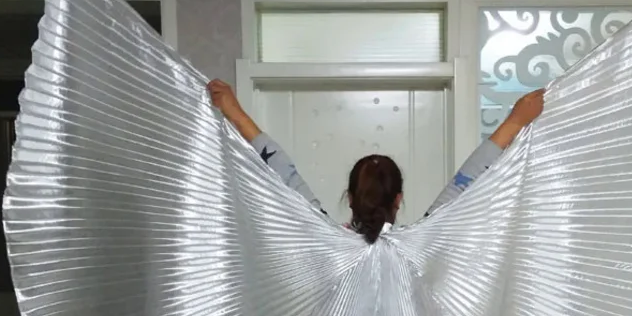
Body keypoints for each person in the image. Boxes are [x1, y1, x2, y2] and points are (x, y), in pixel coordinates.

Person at [206, 80, 544, 241]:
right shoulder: (418, 248)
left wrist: (234, 112)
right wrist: (515, 121)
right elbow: (466, 184)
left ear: (350, 197)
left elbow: (283, 176)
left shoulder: (327, 243)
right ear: (399, 199)